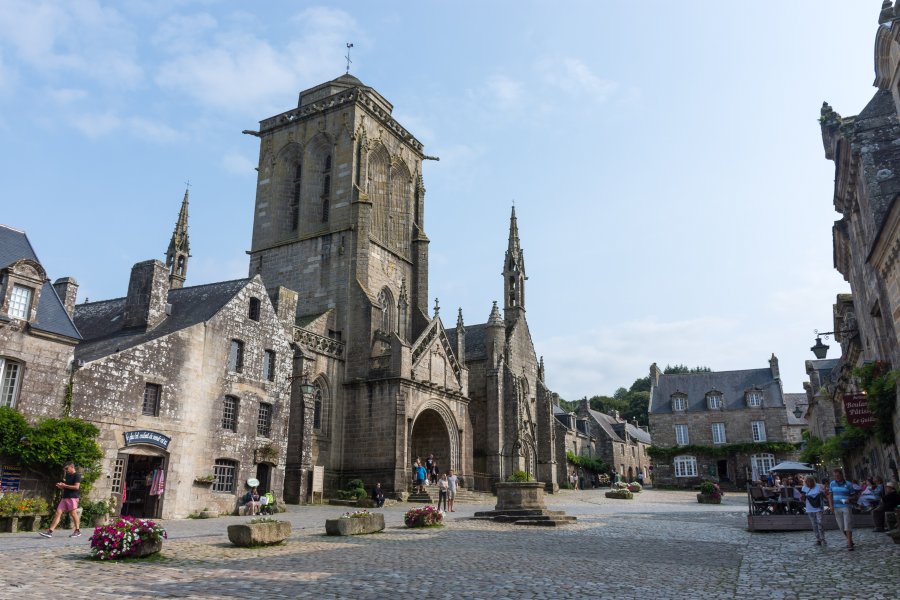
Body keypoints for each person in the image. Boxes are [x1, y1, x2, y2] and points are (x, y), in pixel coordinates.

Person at [40, 461, 82, 538]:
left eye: (67, 468)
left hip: (73, 497)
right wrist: (61, 486)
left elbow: (76, 487)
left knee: (73, 514)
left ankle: (77, 531)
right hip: (65, 497)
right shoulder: (68, 475)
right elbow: (67, 486)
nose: (66, 470)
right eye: (65, 469)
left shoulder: (77, 475)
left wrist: (65, 485)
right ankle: (50, 531)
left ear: (72, 467)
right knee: (58, 513)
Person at [828, 468, 857, 551]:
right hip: (836, 507)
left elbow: (854, 496)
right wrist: (831, 506)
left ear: (841, 475)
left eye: (838, 475)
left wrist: (849, 499)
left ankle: (849, 544)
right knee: (841, 526)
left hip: (846, 506)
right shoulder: (832, 484)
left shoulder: (848, 484)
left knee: (847, 525)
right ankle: (850, 540)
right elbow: (830, 495)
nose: (836, 477)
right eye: (835, 476)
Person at [800, 475, 827, 546]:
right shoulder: (804, 488)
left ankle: (823, 538)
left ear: (813, 481)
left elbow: (825, 496)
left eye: (810, 481)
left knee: (820, 522)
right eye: (807, 482)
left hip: (819, 507)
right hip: (809, 508)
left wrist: (822, 494)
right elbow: (802, 499)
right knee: (814, 524)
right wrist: (802, 497)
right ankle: (818, 539)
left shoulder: (819, 486)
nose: (809, 483)